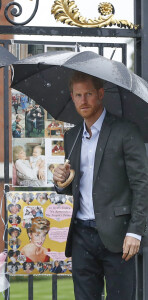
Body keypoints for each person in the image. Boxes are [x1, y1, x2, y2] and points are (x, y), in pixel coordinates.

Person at [53, 71, 148, 300]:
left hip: (119, 235)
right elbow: (74, 185)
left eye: (88, 94)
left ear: (101, 94)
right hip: (81, 236)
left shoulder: (126, 130)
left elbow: (142, 183)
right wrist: (60, 180)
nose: (83, 101)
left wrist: (136, 231)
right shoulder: (72, 136)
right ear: (72, 97)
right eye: (78, 95)